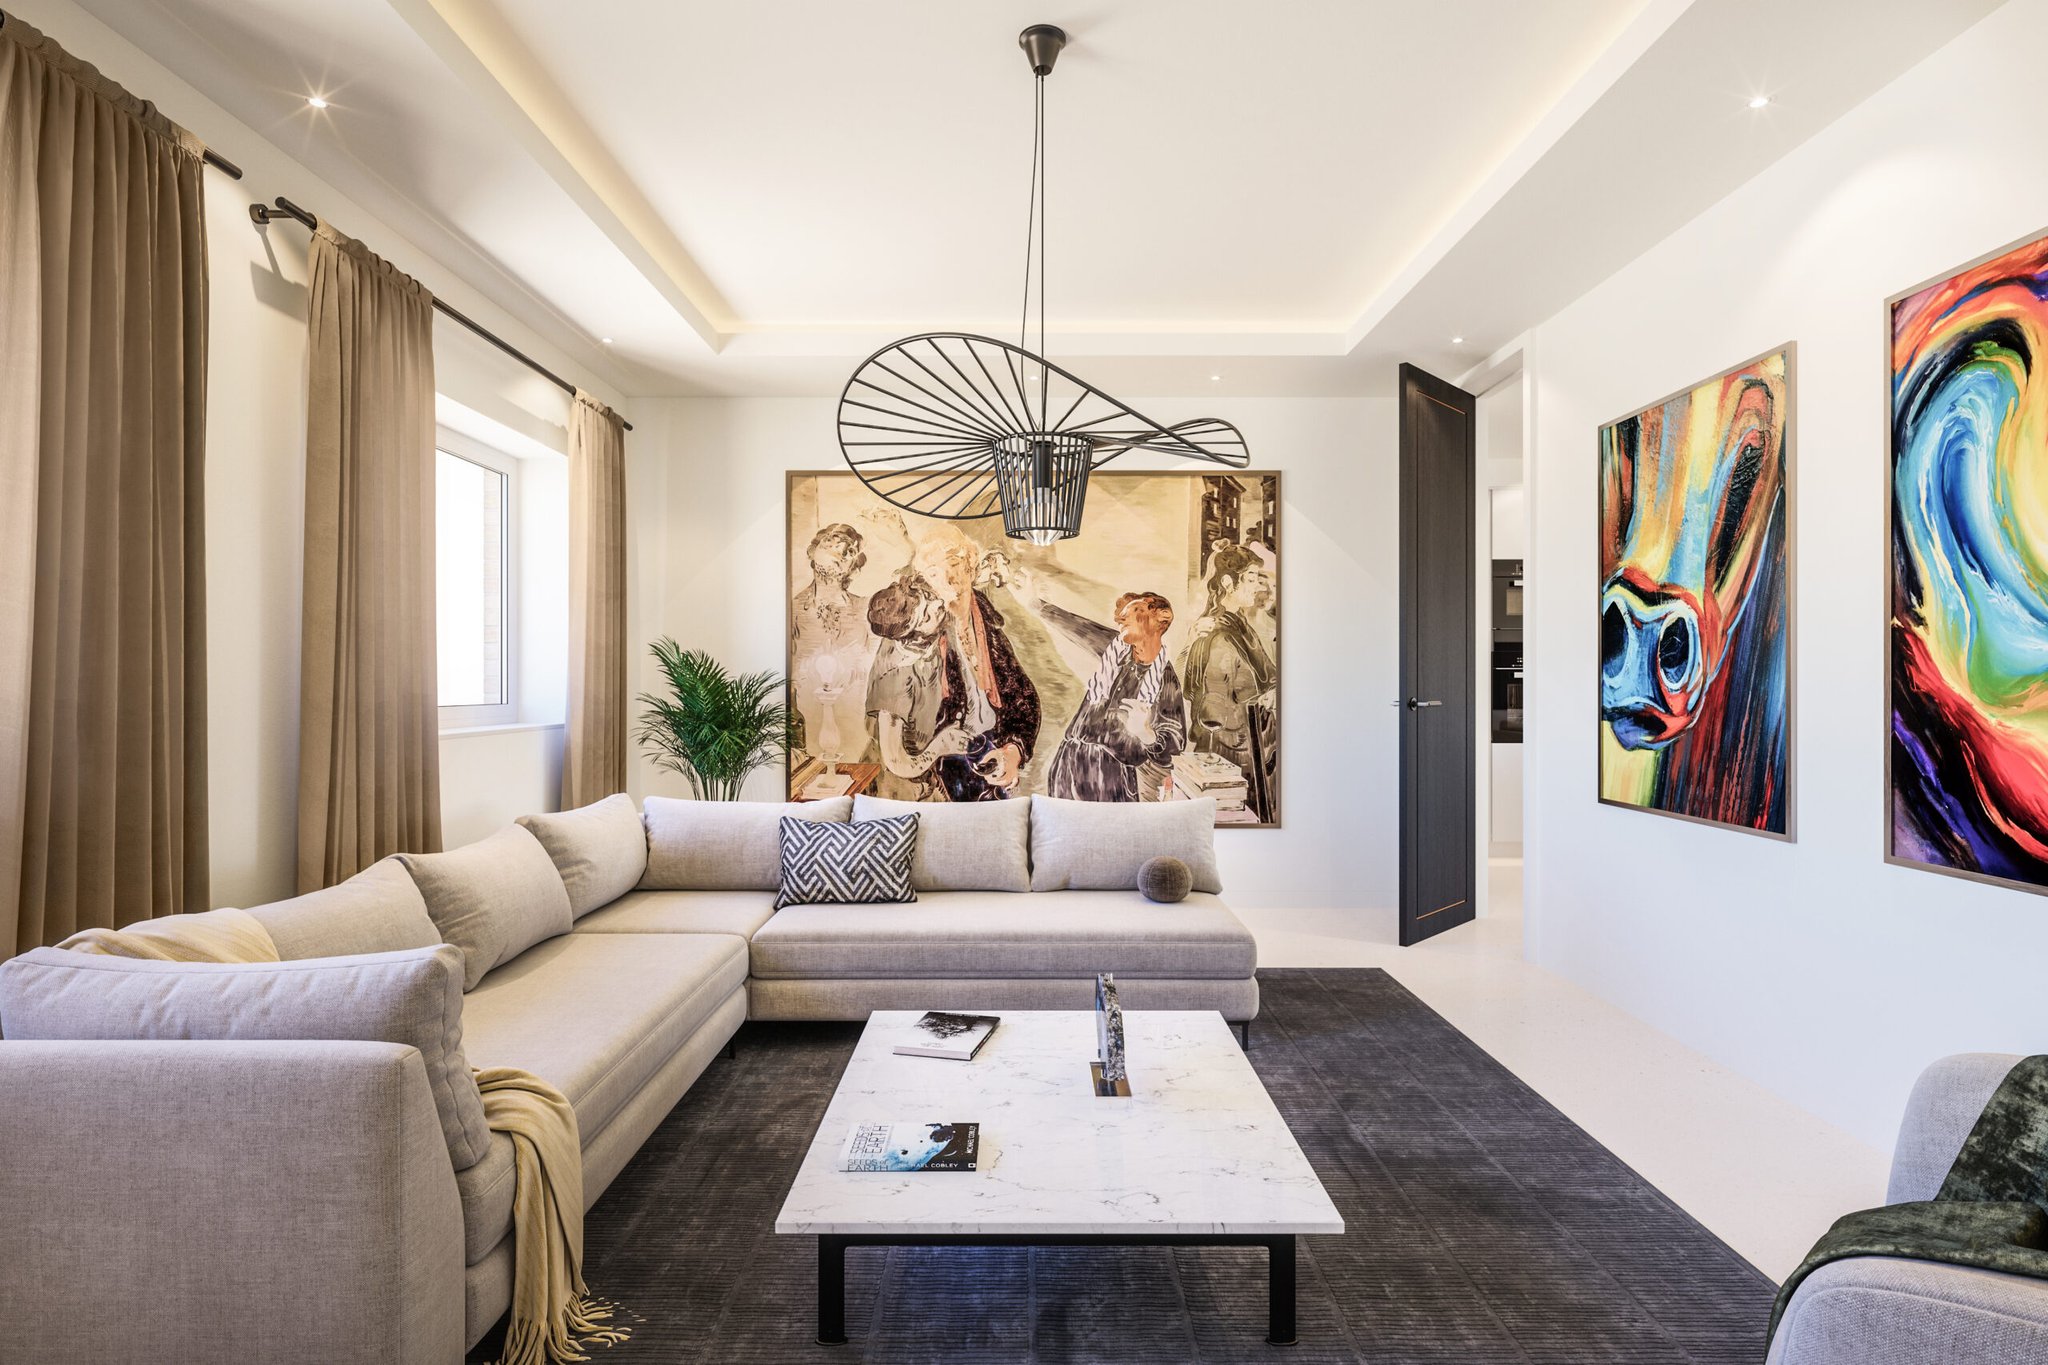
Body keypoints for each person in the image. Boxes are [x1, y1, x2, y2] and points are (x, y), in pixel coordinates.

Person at [1021, 573, 1187, 803]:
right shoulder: (1117, 651)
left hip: (1110, 774)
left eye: (1134, 612)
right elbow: (1080, 629)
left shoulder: (1164, 678)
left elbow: (1174, 743)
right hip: (1069, 762)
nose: (1121, 618)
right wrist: (1036, 605)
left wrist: (1145, 733)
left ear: (1160, 620)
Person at [908, 526, 1039, 801]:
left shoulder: (989, 627)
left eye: (954, 563)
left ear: (971, 566)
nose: (947, 577)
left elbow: (1024, 700)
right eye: (934, 572)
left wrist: (1012, 752)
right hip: (943, 760)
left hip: (990, 745)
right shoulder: (922, 633)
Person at [1179, 543, 1277, 815]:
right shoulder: (1220, 636)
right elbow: (1215, 712)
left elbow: (1268, 676)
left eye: (1259, 579)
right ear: (1227, 583)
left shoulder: (1241, 625)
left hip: (1250, 745)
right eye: (1251, 579)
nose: (1259, 587)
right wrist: (1264, 702)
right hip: (1232, 754)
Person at [863, 576, 969, 798]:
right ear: (910, 638)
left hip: (929, 773)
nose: (937, 604)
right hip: (900, 785)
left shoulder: (920, 629)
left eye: (927, 597)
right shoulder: (894, 679)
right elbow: (897, 762)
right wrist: (942, 745)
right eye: (927, 616)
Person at [790, 523, 873, 765]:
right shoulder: (793, 610)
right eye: (829, 542)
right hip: (811, 728)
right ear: (812, 553)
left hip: (858, 726)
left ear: (854, 567)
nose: (838, 550)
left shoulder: (866, 610)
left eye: (848, 550)